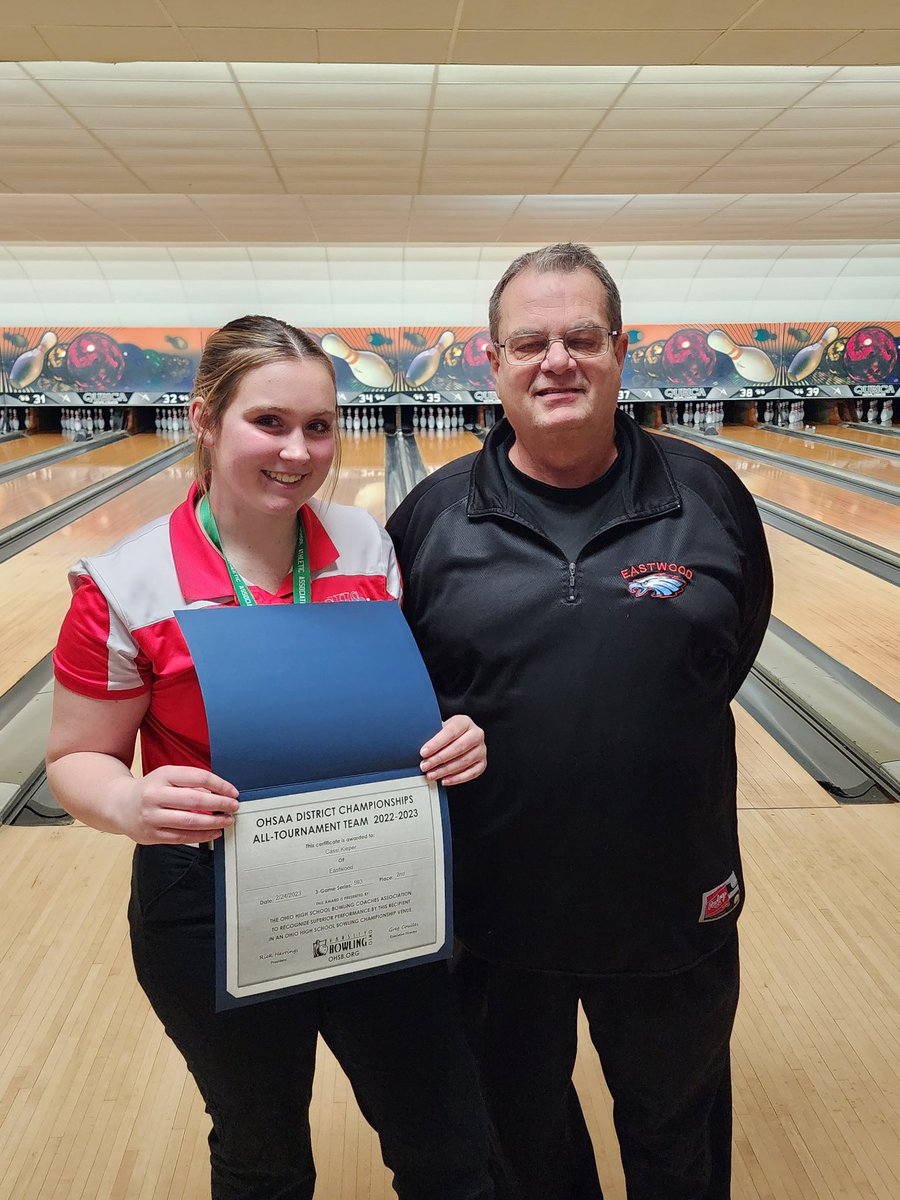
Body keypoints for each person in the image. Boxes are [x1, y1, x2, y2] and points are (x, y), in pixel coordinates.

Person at [46, 315, 499, 1200]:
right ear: (206, 420)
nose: (299, 451)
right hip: (206, 898)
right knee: (262, 1157)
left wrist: (453, 735)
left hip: (373, 871)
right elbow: (73, 760)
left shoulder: (370, 550)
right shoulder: (125, 586)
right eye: (270, 422)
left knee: (450, 1143)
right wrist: (132, 805)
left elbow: (388, 712)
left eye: (321, 426)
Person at [386, 244, 773, 1200]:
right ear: (494, 361)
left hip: (673, 898)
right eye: (530, 342)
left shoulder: (709, 494)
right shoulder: (432, 519)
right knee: (525, 1142)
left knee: (677, 1131)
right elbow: (401, 697)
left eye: (581, 338)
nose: (556, 360)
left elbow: (730, 648)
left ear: (619, 350)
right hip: (497, 910)